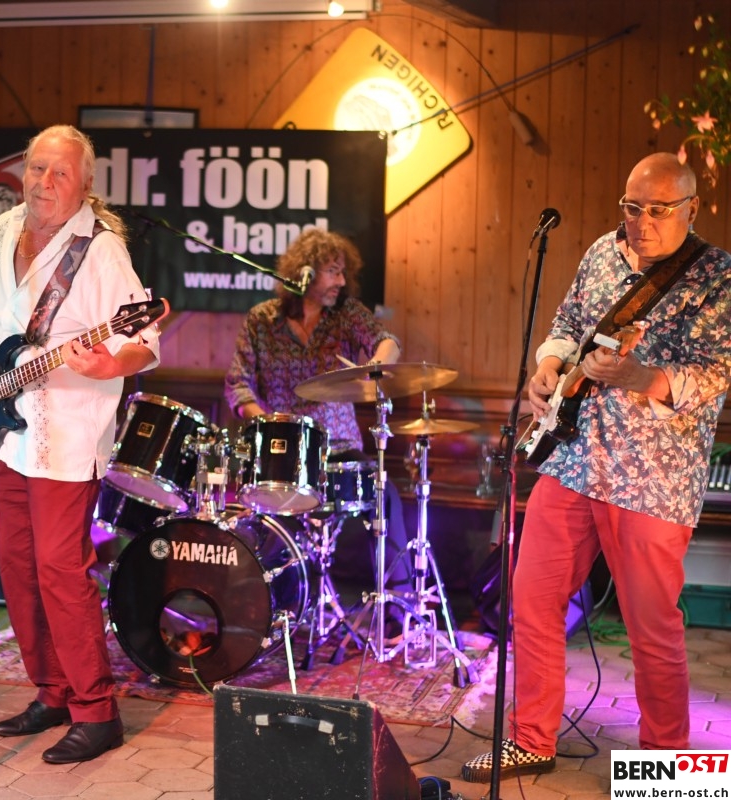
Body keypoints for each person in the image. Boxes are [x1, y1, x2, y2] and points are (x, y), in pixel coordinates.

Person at [462, 153, 731, 783]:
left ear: (691, 208)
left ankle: (666, 768)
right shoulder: (601, 253)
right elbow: (567, 324)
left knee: (651, 627)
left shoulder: (717, 275)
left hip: (653, 479)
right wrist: (548, 366)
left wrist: (641, 376)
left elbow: (716, 372)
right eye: (632, 207)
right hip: (575, 458)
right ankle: (531, 738)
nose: (642, 221)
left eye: (659, 210)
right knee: (531, 598)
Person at [0, 124, 159, 764]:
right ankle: (52, 691)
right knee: (18, 566)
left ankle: (97, 711)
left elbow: (143, 343)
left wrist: (105, 363)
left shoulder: (101, 252)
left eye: (60, 172)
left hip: (69, 433)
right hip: (9, 432)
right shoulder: (2, 231)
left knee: (60, 569)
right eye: (36, 169)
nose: (45, 182)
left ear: (85, 184)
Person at [224, 228, 413, 637]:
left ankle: (399, 602)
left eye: (343, 272)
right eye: (332, 271)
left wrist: (376, 365)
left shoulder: (346, 314)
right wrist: (269, 424)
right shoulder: (261, 319)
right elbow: (237, 385)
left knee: (385, 495)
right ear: (304, 273)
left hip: (338, 448)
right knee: (260, 516)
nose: (341, 281)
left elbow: (387, 341)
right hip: (282, 449)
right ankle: (275, 604)